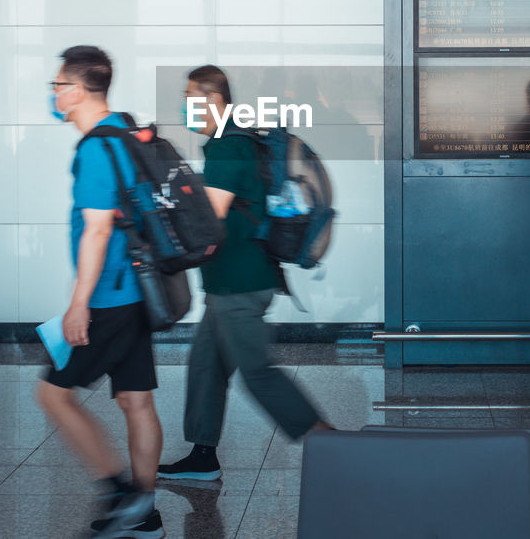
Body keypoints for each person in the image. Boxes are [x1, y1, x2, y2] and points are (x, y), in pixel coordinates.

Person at [158, 64, 330, 482]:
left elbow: (209, 219)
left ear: (213, 99)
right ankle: (202, 455)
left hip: (240, 281)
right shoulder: (231, 139)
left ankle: (330, 443)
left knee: (258, 372)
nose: (184, 106)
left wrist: (162, 225)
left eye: (189, 98)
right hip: (229, 281)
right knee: (205, 365)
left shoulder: (227, 147)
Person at [35, 45, 165, 539]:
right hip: (137, 289)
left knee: (52, 395)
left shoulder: (95, 148)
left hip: (107, 298)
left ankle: (120, 494)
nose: (53, 95)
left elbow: (96, 232)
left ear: (77, 90)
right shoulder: (127, 133)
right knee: (135, 401)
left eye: (57, 86)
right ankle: (146, 514)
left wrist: (78, 305)